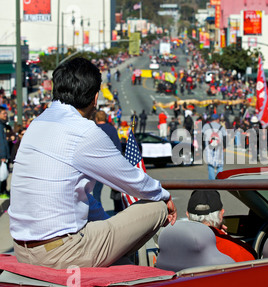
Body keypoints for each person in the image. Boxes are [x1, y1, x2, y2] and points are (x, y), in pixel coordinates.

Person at [8, 57, 177, 269]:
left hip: (23, 250)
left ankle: (120, 263)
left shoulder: (38, 122)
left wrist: (107, 222)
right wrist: (165, 196)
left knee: (96, 210)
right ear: (95, 98)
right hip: (61, 253)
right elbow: (132, 180)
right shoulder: (83, 131)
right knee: (157, 207)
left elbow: (83, 197)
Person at [186, 190, 257, 262]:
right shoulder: (240, 251)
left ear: (188, 215)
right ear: (221, 215)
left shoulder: (177, 246)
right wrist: (225, 237)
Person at [93, 110, 123, 213]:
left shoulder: (93, 129)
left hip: (97, 164)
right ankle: (119, 210)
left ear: (96, 119)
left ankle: (98, 212)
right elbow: (118, 147)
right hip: (111, 162)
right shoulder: (112, 129)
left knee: (96, 191)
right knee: (116, 188)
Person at [202, 114, 227, 179]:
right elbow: (224, 138)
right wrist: (225, 147)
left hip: (208, 146)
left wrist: (203, 147)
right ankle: (219, 180)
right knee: (220, 164)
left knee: (210, 164)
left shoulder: (206, 126)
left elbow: (202, 137)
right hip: (219, 147)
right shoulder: (222, 127)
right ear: (218, 119)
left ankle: (212, 182)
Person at [0, 108, 10, 199]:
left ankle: (4, 191)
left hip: (5, 154)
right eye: (3, 113)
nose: (5, 115)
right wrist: (3, 155)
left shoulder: (3, 125)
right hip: (2, 156)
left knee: (4, 174)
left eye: (6, 113)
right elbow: (1, 142)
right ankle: (2, 192)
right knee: (2, 175)